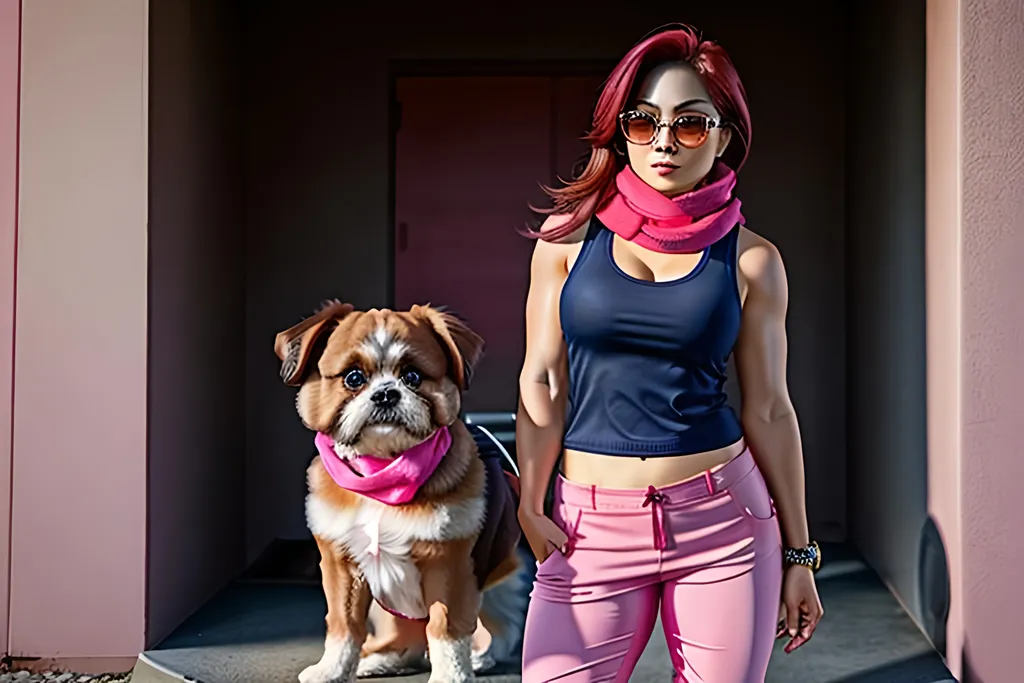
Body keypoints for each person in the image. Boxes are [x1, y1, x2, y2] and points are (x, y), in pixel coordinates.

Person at [515, 24, 824, 682]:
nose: (662, 141)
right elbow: (541, 379)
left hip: (724, 522)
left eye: (688, 124)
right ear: (619, 128)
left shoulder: (753, 260)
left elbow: (770, 408)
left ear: (723, 134)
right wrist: (531, 502)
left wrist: (801, 554)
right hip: (589, 526)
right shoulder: (566, 241)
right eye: (642, 121)